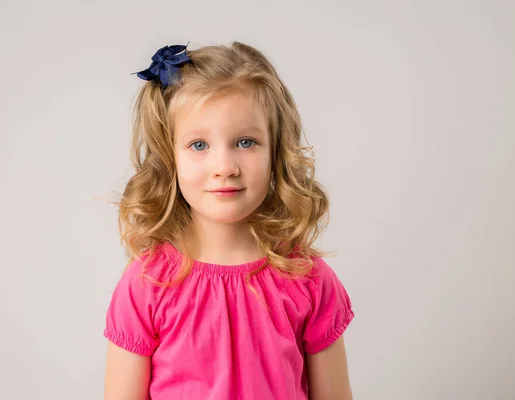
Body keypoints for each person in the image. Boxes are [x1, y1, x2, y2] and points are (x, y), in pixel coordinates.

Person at [103, 42, 355, 400]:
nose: (225, 167)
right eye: (199, 145)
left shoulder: (308, 278)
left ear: (276, 152)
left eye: (246, 141)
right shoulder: (147, 283)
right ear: (169, 157)